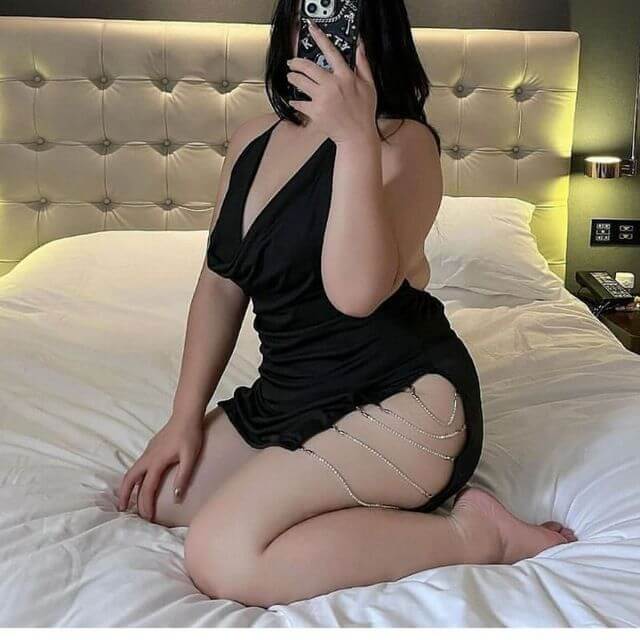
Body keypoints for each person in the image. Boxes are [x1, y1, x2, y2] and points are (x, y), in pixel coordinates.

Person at [117, 0, 577, 608]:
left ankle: (477, 534)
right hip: (291, 393)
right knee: (159, 499)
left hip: (402, 399)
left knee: (221, 555)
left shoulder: (405, 144)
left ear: (374, 30)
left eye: (341, 14)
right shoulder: (251, 139)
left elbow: (354, 294)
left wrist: (355, 139)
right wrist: (183, 418)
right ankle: (337, 492)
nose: (321, 32)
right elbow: (220, 285)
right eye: (309, 10)